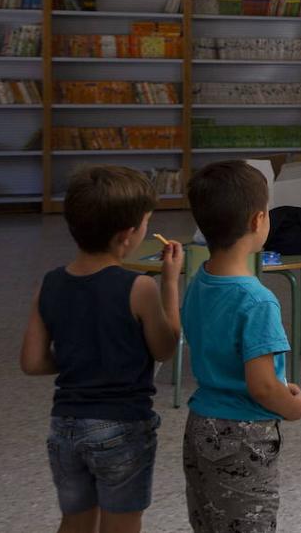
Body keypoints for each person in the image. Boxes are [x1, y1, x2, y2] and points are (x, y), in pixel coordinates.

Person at [19, 166, 184, 533]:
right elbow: (165, 348)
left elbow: (32, 362)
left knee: (74, 522)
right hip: (122, 427)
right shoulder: (140, 287)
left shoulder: (49, 284)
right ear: (128, 236)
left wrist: (82, 356)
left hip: (66, 427)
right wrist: (171, 284)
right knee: (121, 525)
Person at [181, 160, 301, 533]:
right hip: (243, 435)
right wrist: (293, 406)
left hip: (200, 425)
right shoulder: (257, 299)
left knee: (208, 521)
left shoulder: (198, 282)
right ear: (257, 221)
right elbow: (263, 384)